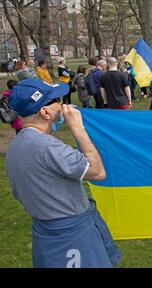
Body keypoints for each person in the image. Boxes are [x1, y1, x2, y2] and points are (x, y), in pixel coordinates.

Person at [6, 78, 121, 267]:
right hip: (72, 236)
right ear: (45, 112)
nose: (62, 105)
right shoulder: (49, 147)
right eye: (56, 101)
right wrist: (77, 127)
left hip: (45, 233)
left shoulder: (15, 146)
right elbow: (97, 171)